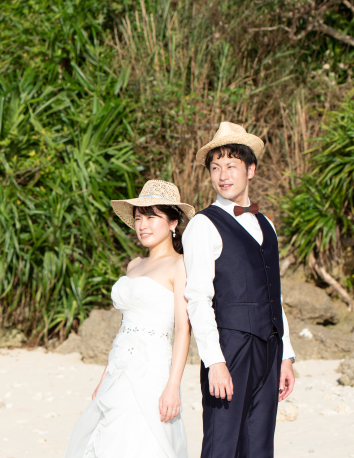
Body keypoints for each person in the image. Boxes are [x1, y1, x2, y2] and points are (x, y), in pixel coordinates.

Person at [182, 122, 296, 458]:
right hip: (230, 348)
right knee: (222, 445)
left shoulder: (266, 224)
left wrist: (286, 356)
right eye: (215, 168)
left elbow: (274, 294)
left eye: (231, 166)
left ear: (251, 170)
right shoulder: (203, 225)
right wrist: (214, 361)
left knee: (259, 448)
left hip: (269, 348)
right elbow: (197, 298)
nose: (222, 175)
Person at [64, 180, 194, 458]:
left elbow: (184, 329)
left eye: (151, 217)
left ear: (173, 222)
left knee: (145, 441)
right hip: (119, 368)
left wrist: (173, 386)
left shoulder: (180, 265)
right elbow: (125, 328)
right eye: (138, 218)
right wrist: (105, 375)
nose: (143, 225)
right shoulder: (134, 265)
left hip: (153, 370)